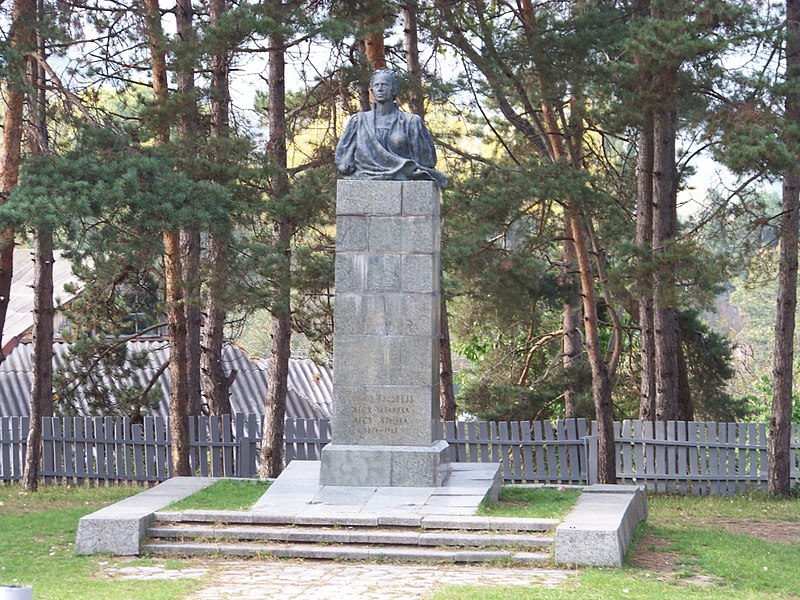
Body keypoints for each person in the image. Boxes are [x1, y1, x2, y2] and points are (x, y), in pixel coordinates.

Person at [335, 69, 448, 188]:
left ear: (394, 89)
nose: (380, 88)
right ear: (372, 90)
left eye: (384, 85)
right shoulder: (358, 122)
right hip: (364, 177)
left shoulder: (411, 122)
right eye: (376, 85)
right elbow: (344, 162)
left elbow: (426, 161)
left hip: (407, 184)